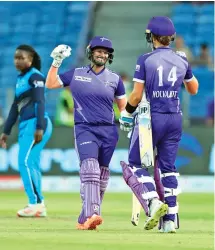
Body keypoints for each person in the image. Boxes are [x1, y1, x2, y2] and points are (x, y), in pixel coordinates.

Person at [119, 16, 199, 233]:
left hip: (151, 118)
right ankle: (171, 220)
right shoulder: (182, 59)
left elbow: (135, 95)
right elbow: (193, 89)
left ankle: (153, 201)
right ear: (171, 38)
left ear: (150, 36)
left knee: (135, 164)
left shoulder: (145, 59)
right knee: (168, 169)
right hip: (175, 117)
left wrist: (126, 114)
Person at [46, 36, 127, 230]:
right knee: (90, 169)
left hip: (109, 130)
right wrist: (56, 62)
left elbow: (123, 107)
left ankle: (84, 219)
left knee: (102, 176)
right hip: (85, 128)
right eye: (99, 51)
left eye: (106, 52)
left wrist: (127, 117)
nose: (102, 54)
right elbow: (50, 84)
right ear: (91, 52)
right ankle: (93, 214)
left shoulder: (115, 79)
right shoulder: (76, 74)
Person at [0, 45, 52, 217]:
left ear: (30, 59)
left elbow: (40, 102)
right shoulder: (20, 79)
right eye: (16, 57)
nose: (17, 61)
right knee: (32, 163)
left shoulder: (36, 76)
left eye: (21, 57)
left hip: (36, 123)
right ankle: (39, 205)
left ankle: (35, 203)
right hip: (26, 125)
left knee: (24, 162)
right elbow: (15, 107)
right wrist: (6, 131)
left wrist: (39, 126)